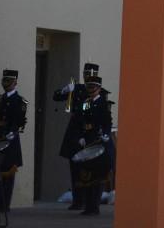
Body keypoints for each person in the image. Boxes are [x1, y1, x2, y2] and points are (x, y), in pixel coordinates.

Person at [52, 62, 109, 211]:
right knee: (75, 167)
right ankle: (78, 200)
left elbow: (104, 116)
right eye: (86, 73)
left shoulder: (100, 92)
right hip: (76, 131)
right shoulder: (76, 88)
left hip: (92, 133)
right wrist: (65, 90)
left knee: (91, 169)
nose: (88, 77)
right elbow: (56, 97)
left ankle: (89, 201)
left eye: (91, 74)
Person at [0, 69, 27, 212]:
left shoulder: (20, 101)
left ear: (15, 83)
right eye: (4, 81)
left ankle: (4, 205)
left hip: (10, 140)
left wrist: (13, 132)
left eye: (9, 81)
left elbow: (20, 120)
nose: (6, 84)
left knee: (8, 174)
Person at [72, 74, 113, 216]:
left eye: (93, 87)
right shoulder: (86, 103)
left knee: (98, 177)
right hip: (88, 140)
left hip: (99, 141)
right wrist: (81, 136)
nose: (91, 90)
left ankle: (95, 206)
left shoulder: (103, 103)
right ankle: (88, 206)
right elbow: (79, 121)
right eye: (89, 87)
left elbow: (107, 122)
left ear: (99, 88)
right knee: (87, 176)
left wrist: (106, 134)